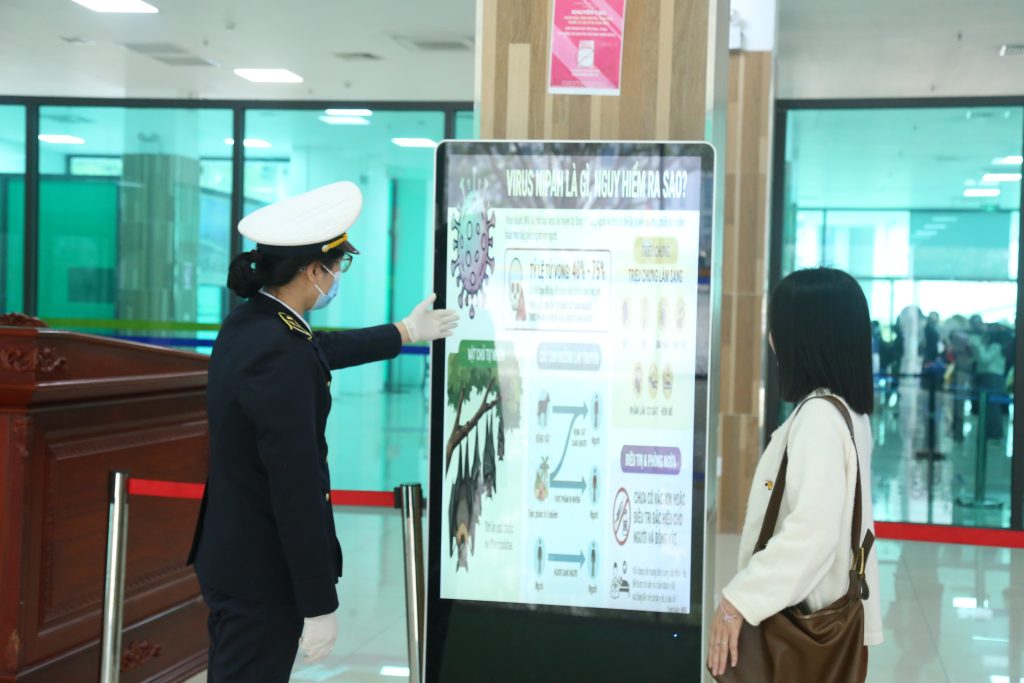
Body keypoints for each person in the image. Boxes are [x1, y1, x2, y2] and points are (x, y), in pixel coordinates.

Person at [187, 181, 458, 682]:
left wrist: (404, 331)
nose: (337, 279)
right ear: (313, 271)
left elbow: (317, 349)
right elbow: (296, 485)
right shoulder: (279, 350)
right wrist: (317, 602)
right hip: (263, 570)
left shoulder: (251, 324)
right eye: (337, 267)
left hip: (233, 552)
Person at [708, 268, 882, 679]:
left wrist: (737, 601)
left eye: (777, 325)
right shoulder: (848, 411)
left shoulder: (819, 418)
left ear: (804, 337)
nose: (771, 338)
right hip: (828, 616)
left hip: (804, 627)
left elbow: (811, 535)